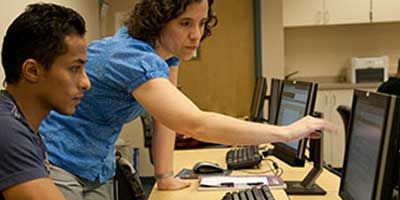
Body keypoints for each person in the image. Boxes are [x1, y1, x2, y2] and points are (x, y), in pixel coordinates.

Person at [39, 0, 335, 199]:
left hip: (95, 164)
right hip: (58, 160)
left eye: (202, 23)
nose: (197, 35)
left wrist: (164, 175)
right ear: (158, 23)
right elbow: (195, 123)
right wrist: (287, 131)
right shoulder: (132, 57)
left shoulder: (164, 57)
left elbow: (165, 118)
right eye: (185, 24)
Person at [0, 3, 90, 200]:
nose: (86, 83)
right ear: (32, 71)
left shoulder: (20, 122)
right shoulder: (6, 130)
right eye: (75, 68)